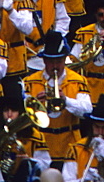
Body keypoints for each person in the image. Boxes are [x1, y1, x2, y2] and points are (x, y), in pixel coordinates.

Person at [24, 30, 92, 169]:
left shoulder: (78, 80)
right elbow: (21, 116)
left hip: (69, 145)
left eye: (59, 61)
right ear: (44, 61)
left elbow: (87, 110)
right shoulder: (29, 82)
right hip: (42, 146)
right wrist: (35, 104)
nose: (55, 66)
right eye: (51, 62)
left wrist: (65, 100)